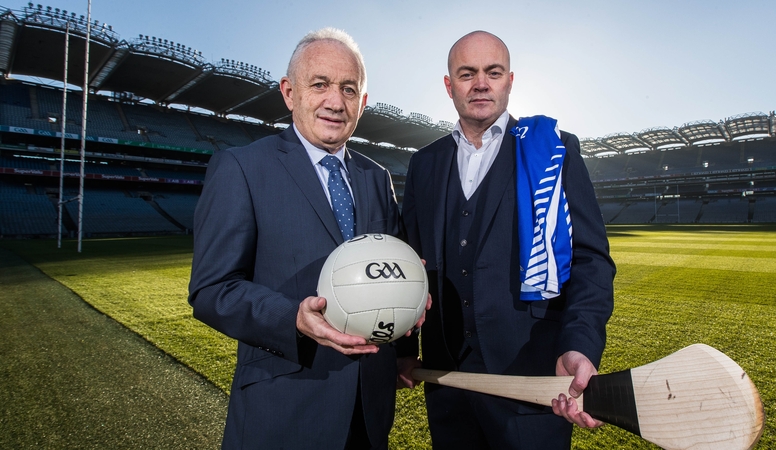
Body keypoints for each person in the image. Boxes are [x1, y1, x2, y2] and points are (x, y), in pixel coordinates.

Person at [189, 28, 422, 450]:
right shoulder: (241, 167)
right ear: (289, 92)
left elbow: (397, 270)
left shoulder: (376, 177)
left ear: (363, 103)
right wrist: (291, 319)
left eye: (349, 89)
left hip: (369, 408)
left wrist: (408, 340)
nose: (335, 101)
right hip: (285, 407)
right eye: (320, 85)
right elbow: (211, 290)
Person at [402, 30, 616, 449]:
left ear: (510, 80)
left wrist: (580, 344)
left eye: (492, 72)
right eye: (467, 74)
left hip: (532, 377)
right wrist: (404, 348)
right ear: (449, 85)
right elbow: (409, 263)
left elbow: (591, 260)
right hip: (447, 378)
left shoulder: (553, 148)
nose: (480, 83)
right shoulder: (424, 163)